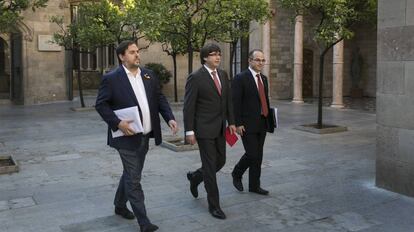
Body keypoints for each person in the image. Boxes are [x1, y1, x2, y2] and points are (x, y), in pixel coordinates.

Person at [95, 40, 178, 232]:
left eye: (137, 51)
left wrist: (169, 118)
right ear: (121, 56)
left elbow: (159, 98)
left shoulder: (149, 74)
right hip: (126, 136)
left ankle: (119, 204)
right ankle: (144, 222)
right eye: (132, 52)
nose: (137, 55)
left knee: (131, 173)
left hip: (145, 135)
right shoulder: (112, 78)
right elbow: (101, 104)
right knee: (134, 179)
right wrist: (117, 123)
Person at [183, 43, 236, 219]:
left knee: (220, 161)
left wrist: (232, 122)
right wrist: (189, 131)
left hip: (221, 127)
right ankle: (214, 206)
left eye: (219, 54)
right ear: (205, 57)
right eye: (214, 54)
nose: (218, 57)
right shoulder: (196, 77)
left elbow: (228, 100)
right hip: (204, 129)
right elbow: (188, 107)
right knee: (210, 166)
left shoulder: (223, 74)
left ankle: (196, 177)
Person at [231, 49, 274, 196]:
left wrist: (270, 117)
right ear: (250, 60)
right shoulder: (240, 78)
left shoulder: (264, 78)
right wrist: (237, 123)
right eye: (257, 60)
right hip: (246, 124)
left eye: (263, 60)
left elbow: (264, 100)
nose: (260, 63)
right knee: (252, 154)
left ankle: (254, 185)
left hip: (262, 122)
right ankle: (236, 173)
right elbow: (235, 103)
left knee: (259, 156)